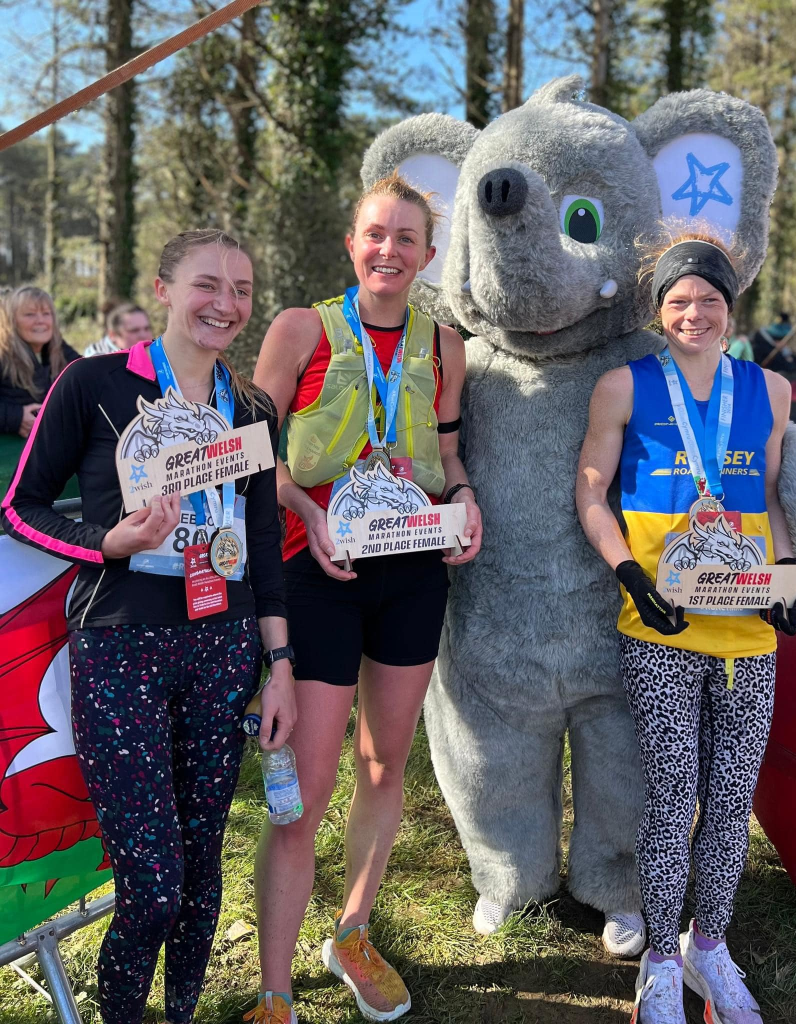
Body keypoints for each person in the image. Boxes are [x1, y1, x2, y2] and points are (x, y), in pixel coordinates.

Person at [0, 230, 296, 1024]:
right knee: (155, 885)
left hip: (226, 649)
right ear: (163, 289)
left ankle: (181, 1013)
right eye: (207, 285)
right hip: (122, 647)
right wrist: (107, 543)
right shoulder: (91, 384)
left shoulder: (251, 408)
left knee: (202, 874)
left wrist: (281, 666)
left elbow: (264, 547)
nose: (226, 304)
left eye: (240, 289)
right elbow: (19, 505)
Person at [247, 172, 482, 1024]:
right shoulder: (302, 328)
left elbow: (449, 455)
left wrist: (462, 498)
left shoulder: (443, 345)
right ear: (352, 243)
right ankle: (275, 992)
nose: (390, 251)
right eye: (375, 235)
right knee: (304, 786)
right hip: (316, 570)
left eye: (407, 240)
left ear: (426, 255)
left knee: (385, 762)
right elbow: (249, 451)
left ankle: (351, 932)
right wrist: (307, 510)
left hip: (412, 569)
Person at [576, 236, 796, 1024]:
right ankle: (661, 961)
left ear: (730, 307)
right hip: (661, 630)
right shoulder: (622, 386)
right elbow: (591, 495)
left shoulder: (770, 391)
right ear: (658, 310)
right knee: (675, 796)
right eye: (679, 300)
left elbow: (772, 496)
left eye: (709, 299)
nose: (694, 312)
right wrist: (629, 575)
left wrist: (789, 578)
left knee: (732, 797)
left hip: (747, 633)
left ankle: (709, 946)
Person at [0, 285, 80, 437]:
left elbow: (89, 378)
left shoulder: (59, 349)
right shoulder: (2, 353)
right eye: (30, 314)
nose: (40, 321)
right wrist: (15, 417)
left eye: (46, 313)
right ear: (11, 321)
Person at [83, 302, 153, 356]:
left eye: (147, 329)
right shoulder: (97, 359)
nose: (143, 335)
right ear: (112, 335)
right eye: (134, 331)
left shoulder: (156, 349)